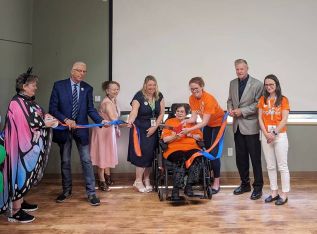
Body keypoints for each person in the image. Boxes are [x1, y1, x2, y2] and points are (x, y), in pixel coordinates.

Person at [0, 69, 58, 223]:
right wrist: (44, 123)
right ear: (24, 86)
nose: (35, 87)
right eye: (33, 85)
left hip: (28, 148)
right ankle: (15, 210)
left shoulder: (27, 100)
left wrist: (45, 118)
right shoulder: (16, 103)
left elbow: (36, 115)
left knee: (23, 176)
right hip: (18, 148)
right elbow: (24, 123)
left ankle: (20, 201)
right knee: (18, 175)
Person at [49, 61, 106, 206]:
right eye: (79, 70)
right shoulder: (59, 86)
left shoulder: (87, 88)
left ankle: (91, 193)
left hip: (81, 130)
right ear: (72, 71)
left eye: (84, 71)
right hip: (64, 129)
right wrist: (66, 120)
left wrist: (101, 121)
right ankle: (66, 191)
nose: (81, 73)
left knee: (87, 160)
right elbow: (53, 109)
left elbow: (90, 109)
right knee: (65, 161)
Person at [180, 77, 224, 195]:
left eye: (196, 88)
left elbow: (203, 122)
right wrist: (185, 121)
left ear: (202, 87)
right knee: (206, 150)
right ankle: (208, 177)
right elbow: (194, 118)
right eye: (192, 89)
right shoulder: (192, 98)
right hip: (209, 124)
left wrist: (189, 129)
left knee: (214, 154)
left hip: (218, 124)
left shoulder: (209, 99)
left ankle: (216, 182)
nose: (194, 91)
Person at [227, 59, 264, 200]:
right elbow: (230, 100)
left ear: (247, 68)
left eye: (242, 69)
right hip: (237, 126)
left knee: (255, 159)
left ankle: (258, 187)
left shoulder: (257, 84)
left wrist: (241, 111)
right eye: (237, 69)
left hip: (251, 126)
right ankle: (245, 184)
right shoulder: (232, 83)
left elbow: (258, 104)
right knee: (241, 159)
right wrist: (230, 109)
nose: (239, 71)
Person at [127, 75, 165, 193]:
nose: (152, 87)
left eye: (154, 85)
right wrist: (130, 120)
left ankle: (147, 179)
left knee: (150, 155)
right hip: (140, 130)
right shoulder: (138, 96)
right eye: (149, 85)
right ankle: (138, 181)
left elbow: (161, 113)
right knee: (142, 155)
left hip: (153, 129)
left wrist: (155, 127)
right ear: (145, 85)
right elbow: (134, 111)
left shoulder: (159, 96)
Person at [258, 74, 290, 205]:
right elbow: (260, 118)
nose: (269, 87)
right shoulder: (262, 99)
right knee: (270, 166)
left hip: (279, 135)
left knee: (282, 166)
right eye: (266, 85)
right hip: (266, 136)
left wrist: (273, 133)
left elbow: (284, 119)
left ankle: (284, 194)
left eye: (271, 84)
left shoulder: (283, 100)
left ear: (276, 84)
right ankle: (274, 192)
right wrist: (266, 133)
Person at [161, 104, 203, 200]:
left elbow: (199, 137)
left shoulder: (191, 123)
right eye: (178, 111)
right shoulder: (169, 122)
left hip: (191, 147)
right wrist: (175, 136)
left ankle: (189, 186)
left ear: (186, 114)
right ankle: (176, 189)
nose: (179, 113)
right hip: (174, 149)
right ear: (175, 112)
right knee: (181, 159)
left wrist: (189, 134)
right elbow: (165, 140)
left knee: (198, 157)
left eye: (182, 111)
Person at [90, 81, 121, 191]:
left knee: (107, 153)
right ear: (107, 91)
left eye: (117, 89)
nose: (116, 91)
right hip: (102, 132)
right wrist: (126, 123)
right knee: (102, 155)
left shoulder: (114, 100)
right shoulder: (107, 103)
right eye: (113, 89)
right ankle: (101, 180)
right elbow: (113, 118)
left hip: (109, 131)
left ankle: (107, 177)